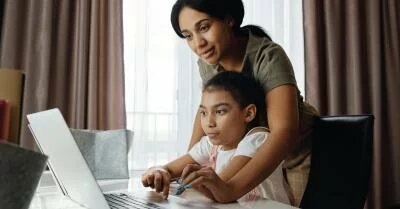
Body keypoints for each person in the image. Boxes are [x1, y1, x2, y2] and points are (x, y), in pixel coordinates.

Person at [169, 0, 319, 206]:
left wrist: (229, 189)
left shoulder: (268, 56)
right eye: (188, 36)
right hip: (251, 152)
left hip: (296, 154)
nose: (198, 43)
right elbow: (206, 109)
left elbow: (284, 131)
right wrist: (188, 171)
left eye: (203, 27)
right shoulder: (207, 62)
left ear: (229, 19)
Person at [142, 71, 290, 204]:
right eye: (204, 113)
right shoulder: (210, 145)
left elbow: (222, 190)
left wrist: (191, 179)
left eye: (220, 112)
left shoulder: (257, 140)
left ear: (249, 113)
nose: (209, 123)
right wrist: (158, 172)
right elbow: (169, 168)